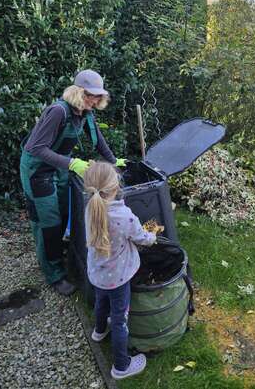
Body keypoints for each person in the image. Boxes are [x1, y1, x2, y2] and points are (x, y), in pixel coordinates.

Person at [20, 69, 126, 296]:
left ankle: (55, 254)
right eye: (91, 95)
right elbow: (36, 148)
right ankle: (53, 274)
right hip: (37, 171)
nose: (95, 100)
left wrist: (114, 162)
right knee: (48, 223)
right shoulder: (58, 112)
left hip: (58, 169)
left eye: (99, 96)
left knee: (64, 215)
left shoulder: (85, 113)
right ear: (78, 92)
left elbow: (99, 142)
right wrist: (71, 163)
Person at [83, 161, 156, 380]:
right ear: (116, 187)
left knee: (101, 302)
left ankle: (98, 331)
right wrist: (152, 237)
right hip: (118, 278)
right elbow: (141, 238)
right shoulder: (124, 216)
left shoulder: (91, 208)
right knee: (119, 319)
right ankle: (122, 366)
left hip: (97, 274)